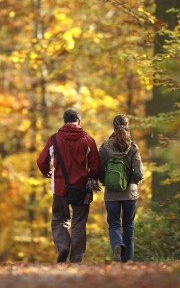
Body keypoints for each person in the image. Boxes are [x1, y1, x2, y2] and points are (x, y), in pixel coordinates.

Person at [36, 108, 101, 263]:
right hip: (81, 189)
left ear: (64, 121)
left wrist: (47, 173)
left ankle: (63, 245)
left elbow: (41, 161)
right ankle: (76, 259)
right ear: (79, 121)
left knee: (59, 218)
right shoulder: (88, 140)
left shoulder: (54, 139)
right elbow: (96, 166)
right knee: (79, 222)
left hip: (59, 188)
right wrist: (91, 178)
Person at [99, 114, 144, 262]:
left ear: (113, 127)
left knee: (113, 224)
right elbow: (139, 173)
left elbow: (99, 170)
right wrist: (136, 181)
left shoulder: (105, 147)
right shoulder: (133, 147)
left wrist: (105, 181)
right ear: (127, 126)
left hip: (112, 193)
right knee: (129, 226)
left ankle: (117, 243)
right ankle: (128, 260)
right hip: (130, 194)